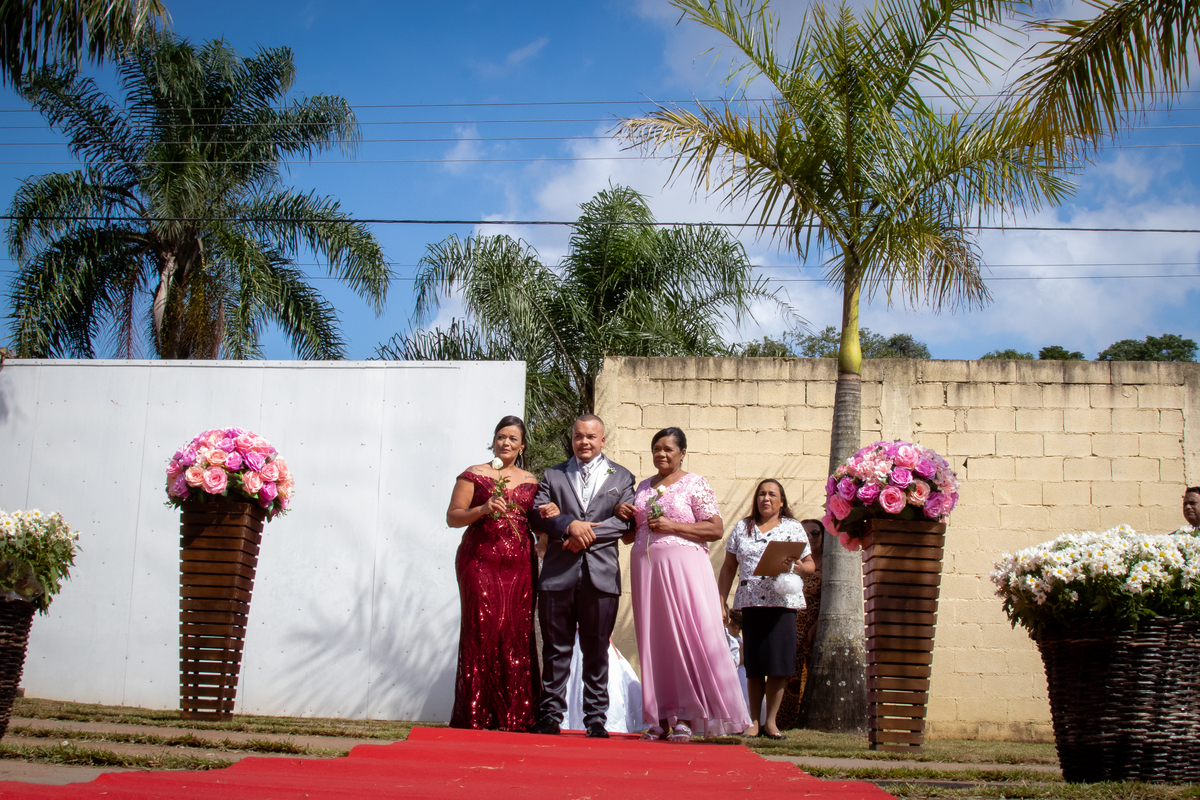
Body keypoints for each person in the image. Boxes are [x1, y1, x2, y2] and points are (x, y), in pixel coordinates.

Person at [619, 427, 751, 742]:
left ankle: (688, 716)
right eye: (656, 449)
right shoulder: (642, 487)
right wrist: (621, 514)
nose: (661, 455)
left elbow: (716, 528)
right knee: (655, 640)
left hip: (685, 571)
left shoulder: (695, 483)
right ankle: (659, 718)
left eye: (668, 449)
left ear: (682, 453)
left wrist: (672, 526)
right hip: (647, 571)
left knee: (686, 638)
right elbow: (630, 534)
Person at [528, 414, 636, 738]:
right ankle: (550, 716)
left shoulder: (622, 477)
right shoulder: (552, 475)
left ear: (603, 440)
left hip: (601, 576)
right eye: (579, 436)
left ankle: (595, 719)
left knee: (596, 648)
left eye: (591, 436)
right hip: (558, 576)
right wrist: (566, 526)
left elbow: (626, 524)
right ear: (572, 439)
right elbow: (538, 513)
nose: (584, 442)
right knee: (555, 649)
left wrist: (580, 533)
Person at [445, 415, 541, 730]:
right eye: (501, 437)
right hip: (479, 560)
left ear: (522, 445)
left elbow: (540, 523)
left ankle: (515, 715)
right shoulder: (475, 474)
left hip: (520, 566)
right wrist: (483, 509)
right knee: (481, 631)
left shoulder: (531, 480)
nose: (506, 443)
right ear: (494, 440)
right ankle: (476, 714)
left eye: (513, 439)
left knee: (515, 634)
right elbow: (453, 518)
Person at [716, 479, 815, 739]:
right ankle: (754, 721)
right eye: (762, 494)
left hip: (783, 604)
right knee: (756, 664)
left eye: (772, 494)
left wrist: (794, 566)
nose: (766, 499)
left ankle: (771, 722)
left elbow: (810, 566)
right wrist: (721, 599)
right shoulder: (742, 528)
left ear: (782, 502)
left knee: (778, 664)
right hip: (752, 602)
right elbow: (728, 568)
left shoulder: (793, 528)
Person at [776, 518, 825, 730]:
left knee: (810, 675)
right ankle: (784, 722)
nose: (810, 538)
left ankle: (811, 722)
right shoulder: (795, 562)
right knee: (790, 676)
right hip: (793, 623)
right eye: (805, 533)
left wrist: (818, 625)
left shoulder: (830, 564)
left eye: (815, 533)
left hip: (814, 626)